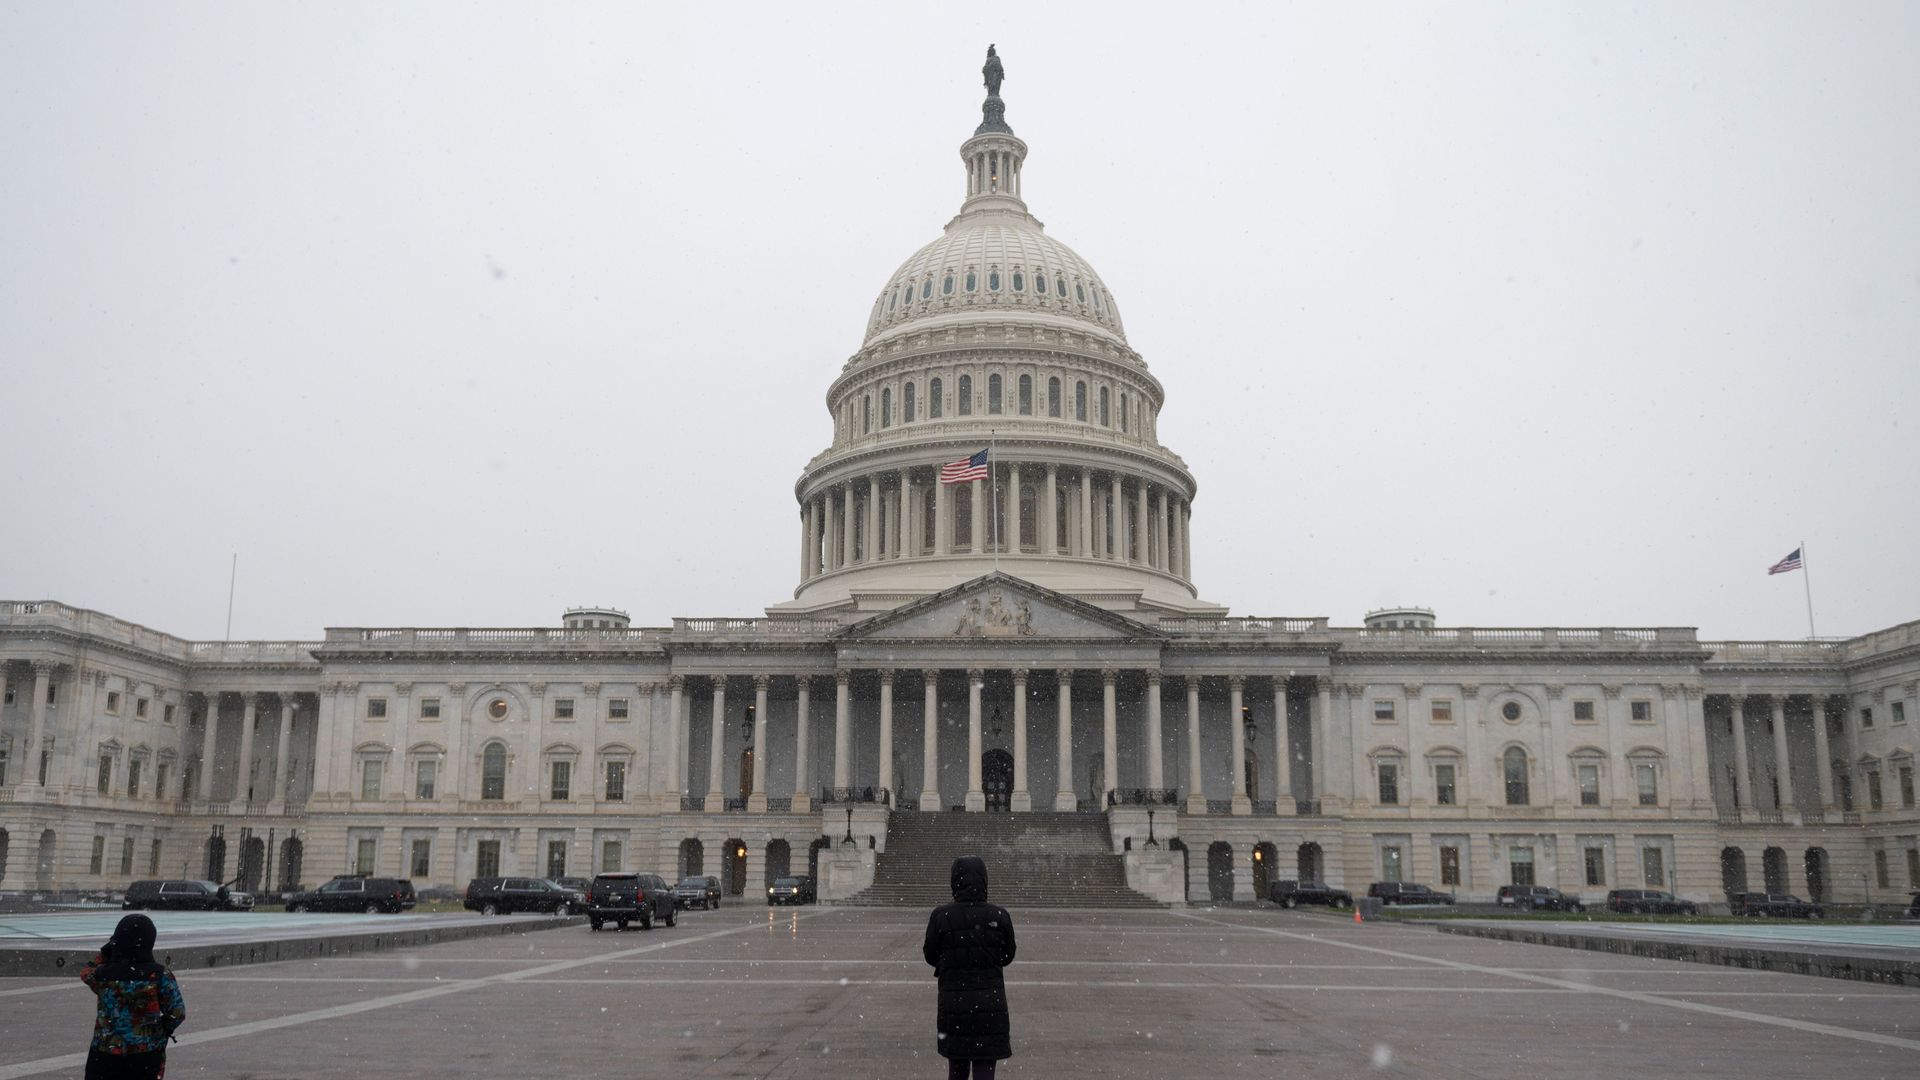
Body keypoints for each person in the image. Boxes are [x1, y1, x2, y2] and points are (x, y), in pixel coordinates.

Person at [923, 855, 1016, 1079]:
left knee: (957, 1069)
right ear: (984, 880)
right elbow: (1008, 955)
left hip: (954, 1005)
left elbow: (930, 954)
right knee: (985, 1071)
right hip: (990, 1005)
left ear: (955, 881)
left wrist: (951, 964)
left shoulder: (941, 916)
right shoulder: (999, 915)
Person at [79, 913, 185, 1079]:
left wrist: (106, 954)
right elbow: (177, 1012)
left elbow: (86, 972)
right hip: (145, 1053)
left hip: (105, 1052)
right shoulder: (159, 975)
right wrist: (161, 1030)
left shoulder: (102, 976)